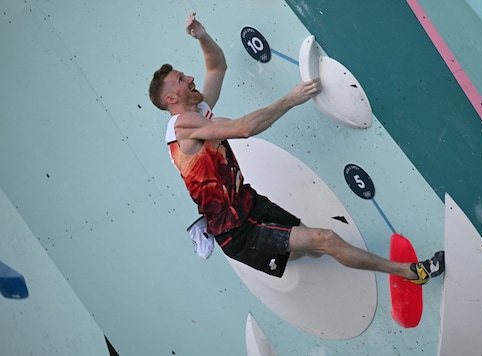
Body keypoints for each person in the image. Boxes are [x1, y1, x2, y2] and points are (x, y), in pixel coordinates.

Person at [149, 13, 444, 284]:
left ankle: (290, 253)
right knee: (325, 239)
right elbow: (244, 128)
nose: (189, 78)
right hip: (238, 231)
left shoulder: (199, 111)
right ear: (171, 99)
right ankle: (412, 272)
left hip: (250, 204)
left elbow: (216, 67)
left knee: (316, 249)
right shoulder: (183, 126)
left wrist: (202, 36)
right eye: (180, 80)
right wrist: (291, 99)